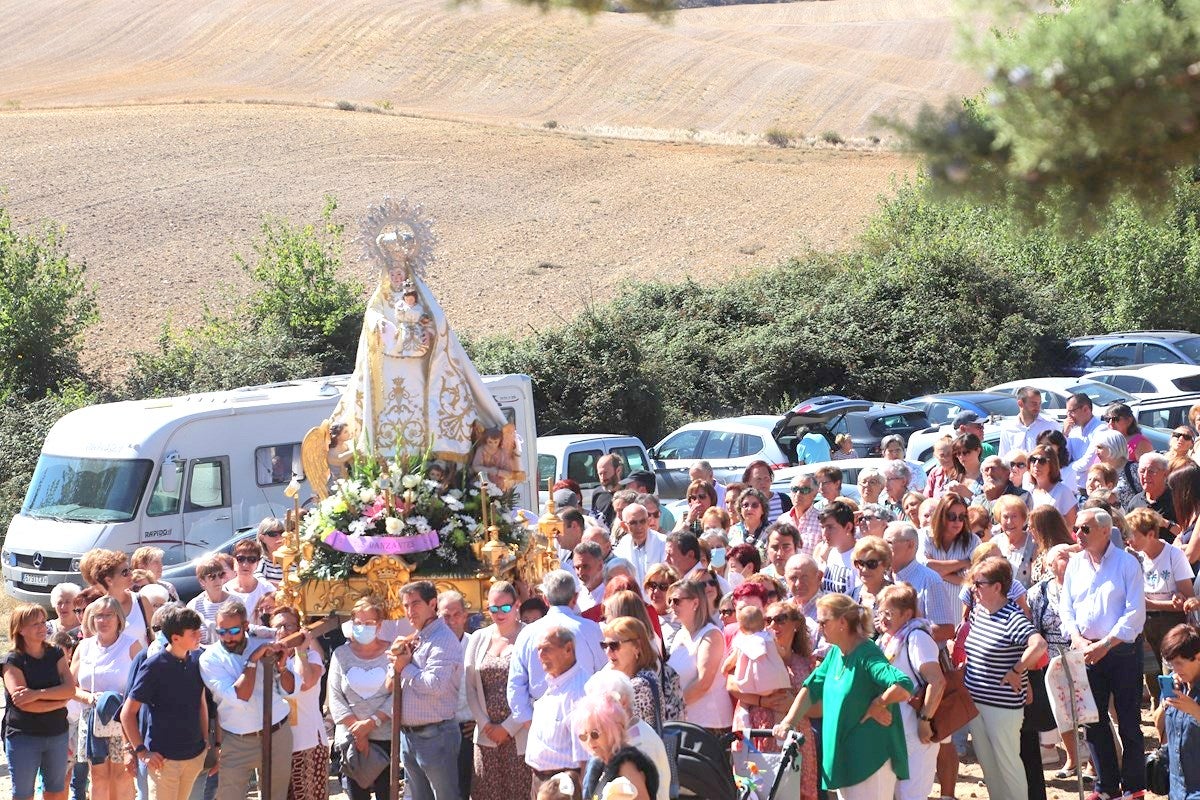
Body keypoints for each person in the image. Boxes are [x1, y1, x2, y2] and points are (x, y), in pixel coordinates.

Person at [774, 594, 914, 798]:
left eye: (823, 622)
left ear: (842, 622)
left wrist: (879, 702)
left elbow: (903, 685)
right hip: (845, 755)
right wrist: (788, 722)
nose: (819, 627)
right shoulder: (834, 653)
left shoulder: (867, 652)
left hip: (869, 758)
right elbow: (810, 688)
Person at [1058, 506, 1148, 799]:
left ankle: (1134, 786)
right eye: (1076, 529)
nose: (1078, 535)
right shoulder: (1074, 564)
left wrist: (1105, 644)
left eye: (1085, 529)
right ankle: (1106, 785)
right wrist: (1076, 638)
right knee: (1092, 723)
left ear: (1105, 531)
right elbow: (1066, 607)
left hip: (1121, 653)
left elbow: (1134, 614)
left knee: (1129, 721)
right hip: (1085, 652)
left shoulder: (1127, 564)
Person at [963, 557, 1048, 800]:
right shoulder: (978, 611)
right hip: (976, 702)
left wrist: (1018, 670)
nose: (973, 589)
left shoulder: (1012, 616)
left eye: (978, 584)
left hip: (1003, 706)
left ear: (997, 587)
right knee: (989, 766)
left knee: (1008, 764)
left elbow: (1038, 644)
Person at [199, 599, 295, 800]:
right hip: (237, 740)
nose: (227, 637)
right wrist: (253, 660)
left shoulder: (263, 643)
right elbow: (240, 696)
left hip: (277, 733)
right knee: (229, 796)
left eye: (233, 631)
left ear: (245, 626)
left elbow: (290, 689)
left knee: (276, 796)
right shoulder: (210, 658)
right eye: (221, 631)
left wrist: (282, 664)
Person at [386, 580, 466, 800]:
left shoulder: (443, 639)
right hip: (410, 736)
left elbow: (435, 686)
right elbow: (389, 684)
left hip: (436, 735)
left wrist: (405, 667)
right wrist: (397, 666)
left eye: (415, 604)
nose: (410, 611)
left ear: (432, 604)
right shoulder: (415, 638)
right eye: (406, 605)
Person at [121, 606, 208, 800]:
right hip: (163, 760)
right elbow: (126, 713)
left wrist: (205, 742)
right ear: (175, 638)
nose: (198, 635)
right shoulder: (153, 666)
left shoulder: (196, 660)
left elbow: (201, 703)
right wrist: (142, 752)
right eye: (193, 632)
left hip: (193, 755)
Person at [509, 571, 605, 733]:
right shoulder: (590, 629)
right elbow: (604, 675)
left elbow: (516, 685)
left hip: (553, 722)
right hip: (584, 724)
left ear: (545, 599)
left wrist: (530, 723)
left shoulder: (527, 633)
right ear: (575, 598)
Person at [876, 583, 945, 800]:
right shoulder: (887, 640)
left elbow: (937, 681)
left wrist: (925, 720)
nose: (883, 618)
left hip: (915, 734)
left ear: (907, 614)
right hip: (894, 733)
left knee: (911, 795)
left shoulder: (917, 637)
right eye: (880, 612)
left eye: (889, 613)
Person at [72, 596, 142, 800]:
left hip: (123, 719)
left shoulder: (132, 646)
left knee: (122, 775)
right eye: (98, 616)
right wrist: (90, 698)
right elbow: (70, 686)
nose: (103, 620)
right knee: (98, 776)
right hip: (92, 717)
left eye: (108, 615)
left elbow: (144, 684)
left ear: (118, 618)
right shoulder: (84, 647)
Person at [466, 581, 531, 800]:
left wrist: (508, 727)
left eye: (505, 607)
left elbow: (535, 689)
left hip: (520, 733)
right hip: (487, 736)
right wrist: (485, 724)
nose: (499, 613)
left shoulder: (529, 636)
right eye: (494, 608)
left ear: (517, 605)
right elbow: (471, 687)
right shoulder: (478, 638)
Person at [4, 602, 76, 800]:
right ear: (20, 629)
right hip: (24, 737)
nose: (42, 628)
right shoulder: (12, 660)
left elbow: (70, 689)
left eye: (43, 622)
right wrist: (59, 700)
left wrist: (36, 693)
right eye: (35, 624)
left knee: (56, 791)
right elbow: (23, 703)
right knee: (24, 794)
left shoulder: (56, 653)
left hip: (57, 733)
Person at [1128, 507, 1196, 705]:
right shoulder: (1134, 557)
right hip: (1146, 626)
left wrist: (1153, 604)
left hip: (1171, 626)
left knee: (1171, 679)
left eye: (1133, 536)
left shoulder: (1174, 556)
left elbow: (1188, 602)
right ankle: (1161, 725)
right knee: (1153, 679)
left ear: (1150, 534)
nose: (1129, 540)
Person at [329, 596, 394, 800]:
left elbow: (398, 694)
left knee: (387, 793)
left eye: (369, 623)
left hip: (385, 737)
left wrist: (372, 722)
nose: (363, 627)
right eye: (358, 623)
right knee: (356, 794)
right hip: (350, 739)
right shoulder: (341, 654)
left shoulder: (392, 652)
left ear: (380, 624)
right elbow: (334, 696)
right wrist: (358, 732)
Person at [1028, 543, 1084, 779]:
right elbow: (1031, 624)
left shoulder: (1084, 586)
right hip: (1050, 656)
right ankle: (1072, 759)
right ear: (1048, 565)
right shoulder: (1038, 592)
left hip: (1080, 653)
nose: (1068, 559)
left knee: (1086, 707)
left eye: (1071, 555)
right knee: (1061, 709)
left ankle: (1094, 762)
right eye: (1062, 556)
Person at [525, 626, 591, 797]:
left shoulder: (579, 691)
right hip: (542, 782)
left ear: (568, 649)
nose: (540, 655)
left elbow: (586, 756)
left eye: (546, 649)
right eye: (538, 650)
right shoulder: (556, 683)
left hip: (564, 786)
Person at [584, 670, 670, 800]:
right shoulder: (617, 744)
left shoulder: (640, 744)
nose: (594, 710)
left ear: (623, 702)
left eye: (602, 704)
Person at [664, 578, 733, 734]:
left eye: (676, 601)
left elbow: (703, 683)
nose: (671, 606)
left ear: (695, 603)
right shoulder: (680, 634)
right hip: (686, 722)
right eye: (670, 601)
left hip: (710, 725)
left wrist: (671, 706)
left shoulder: (711, 635)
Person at [723, 604, 791, 740]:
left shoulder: (741, 641)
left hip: (751, 683)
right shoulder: (769, 637)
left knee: (744, 701)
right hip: (773, 682)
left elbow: (731, 661)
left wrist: (724, 669)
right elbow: (783, 653)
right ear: (763, 624)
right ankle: (779, 731)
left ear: (741, 628)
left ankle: (744, 718)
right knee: (779, 703)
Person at [572, 694, 658, 800]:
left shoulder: (626, 765)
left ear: (615, 730)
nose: (589, 741)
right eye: (584, 736)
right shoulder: (603, 763)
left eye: (595, 734)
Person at [883, 522, 957, 641]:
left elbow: (946, 630)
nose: (883, 548)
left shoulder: (930, 580)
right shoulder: (882, 576)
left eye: (889, 543)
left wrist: (904, 632)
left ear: (910, 545)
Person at [79, 548, 154, 648]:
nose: (131, 574)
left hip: (140, 663)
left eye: (130, 570)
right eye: (124, 572)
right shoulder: (92, 610)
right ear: (109, 580)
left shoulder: (141, 601)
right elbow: (88, 650)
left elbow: (155, 638)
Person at [1158, 623, 1200, 799]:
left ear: (1198, 657)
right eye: (1171, 664)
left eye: (1179, 663)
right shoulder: (1174, 685)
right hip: (1176, 788)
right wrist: (1164, 705)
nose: (1175, 670)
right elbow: (1159, 727)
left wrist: (1195, 710)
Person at [600, 617, 664, 732]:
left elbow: (617, 732)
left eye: (614, 645)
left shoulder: (640, 686)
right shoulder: (635, 677)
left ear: (637, 647)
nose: (608, 652)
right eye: (604, 646)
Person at [849, 536, 892, 637]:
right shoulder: (851, 596)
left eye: (871, 564)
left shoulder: (895, 596)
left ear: (885, 564)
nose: (864, 569)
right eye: (859, 563)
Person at [1027, 443, 1078, 528]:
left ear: (1052, 465)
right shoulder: (1029, 491)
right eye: (1033, 460)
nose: (1036, 464)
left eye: (1042, 461)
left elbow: (1071, 525)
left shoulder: (1063, 492)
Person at [222, 539, 276, 618]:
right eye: (240, 559)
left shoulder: (267, 589)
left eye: (251, 559)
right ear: (234, 561)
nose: (245, 564)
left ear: (257, 563)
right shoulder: (225, 591)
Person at [992, 494, 1037, 589]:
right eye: (1005, 517)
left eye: (1014, 516)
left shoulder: (1034, 543)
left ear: (1023, 518)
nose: (1009, 522)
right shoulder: (994, 543)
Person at [614, 503, 666, 584]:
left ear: (648, 521)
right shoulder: (622, 545)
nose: (639, 527)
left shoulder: (663, 543)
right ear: (624, 526)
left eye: (642, 521)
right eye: (633, 523)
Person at [998, 386, 1056, 458]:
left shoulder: (1050, 426)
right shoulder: (1008, 429)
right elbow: (1004, 459)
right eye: (1034, 403)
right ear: (1020, 403)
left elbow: (1060, 457)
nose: (1038, 407)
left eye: (1039, 403)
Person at [1127, 451, 1179, 531]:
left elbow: (1189, 535)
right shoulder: (1135, 502)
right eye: (1142, 471)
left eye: (1151, 471)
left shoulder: (1177, 500)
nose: (1145, 476)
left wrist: (1165, 523)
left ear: (1165, 474)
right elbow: (1126, 532)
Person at [817, 500, 859, 596]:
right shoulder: (831, 552)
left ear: (848, 527)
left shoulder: (861, 556)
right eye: (822, 527)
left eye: (830, 527)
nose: (824, 533)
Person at [1093, 428, 1142, 507]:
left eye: (1100, 447)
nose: (1096, 452)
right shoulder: (1100, 471)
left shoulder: (1133, 469)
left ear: (1112, 446)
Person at [1064, 392, 1105, 475]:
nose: (1069, 416)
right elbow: (1064, 458)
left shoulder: (1101, 429)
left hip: (1090, 484)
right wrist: (1065, 434)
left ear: (1086, 409)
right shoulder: (1073, 431)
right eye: (1067, 412)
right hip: (1073, 483)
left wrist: (1064, 470)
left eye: (1071, 411)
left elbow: (1087, 463)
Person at [783, 474, 823, 556]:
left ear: (814, 494)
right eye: (795, 489)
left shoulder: (823, 521)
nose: (798, 494)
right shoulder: (782, 520)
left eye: (804, 490)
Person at [742, 460, 791, 524]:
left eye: (766, 478)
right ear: (748, 481)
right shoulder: (745, 503)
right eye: (758, 479)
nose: (763, 482)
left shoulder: (784, 500)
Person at [727, 488, 771, 552]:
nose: (749, 509)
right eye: (745, 505)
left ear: (763, 510)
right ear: (740, 509)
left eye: (755, 505)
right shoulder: (732, 531)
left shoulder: (771, 532)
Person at [591, 453, 625, 528]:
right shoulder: (597, 494)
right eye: (600, 474)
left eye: (605, 473)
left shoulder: (628, 494)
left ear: (618, 470)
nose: (603, 477)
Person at [252, 518, 287, 585]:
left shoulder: (293, 559)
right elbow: (259, 583)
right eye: (273, 534)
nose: (279, 537)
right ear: (262, 538)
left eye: (282, 533)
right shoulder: (261, 562)